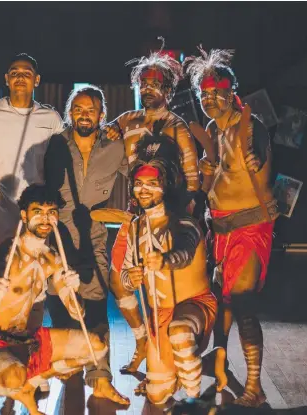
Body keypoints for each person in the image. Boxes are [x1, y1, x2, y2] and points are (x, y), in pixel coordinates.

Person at [103, 47, 212, 374]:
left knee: (162, 293)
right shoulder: (125, 121)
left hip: (169, 219)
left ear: (168, 90)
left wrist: (181, 226)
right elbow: (102, 144)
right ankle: (142, 341)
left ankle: (165, 356)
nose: (149, 90)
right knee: (119, 281)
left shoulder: (177, 127)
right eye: (144, 84)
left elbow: (193, 181)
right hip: (135, 217)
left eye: (156, 84)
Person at [0, 184, 107, 415]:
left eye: (52, 212)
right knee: (14, 374)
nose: (45, 219)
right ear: (24, 215)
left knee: (96, 347)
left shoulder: (52, 258)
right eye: (38, 211)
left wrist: (74, 290)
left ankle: (29, 384)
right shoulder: (8, 251)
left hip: (24, 340)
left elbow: (77, 313)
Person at [183, 47, 278, 407]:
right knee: (222, 299)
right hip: (218, 229)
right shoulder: (210, 129)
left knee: (242, 302)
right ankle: (219, 360)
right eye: (203, 94)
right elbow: (212, 184)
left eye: (215, 92)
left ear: (231, 91)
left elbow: (261, 165)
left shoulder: (250, 127)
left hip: (250, 227)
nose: (209, 99)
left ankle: (254, 386)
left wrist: (257, 158)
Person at [43, 85, 129, 405]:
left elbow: (140, 175)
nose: (83, 114)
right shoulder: (55, 145)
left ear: (101, 115)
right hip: (58, 235)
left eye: (89, 110)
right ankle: (68, 365)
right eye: (77, 109)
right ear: (70, 113)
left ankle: (100, 376)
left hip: (93, 234)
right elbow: (39, 183)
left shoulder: (115, 148)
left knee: (94, 303)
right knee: (60, 302)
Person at [119, 126, 216, 406]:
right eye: (139, 182)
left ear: (166, 184)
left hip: (193, 305)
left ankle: (196, 401)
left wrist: (164, 260)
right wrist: (131, 277)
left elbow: (185, 251)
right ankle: (208, 363)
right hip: (159, 315)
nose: (144, 189)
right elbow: (125, 276)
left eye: (152, 182)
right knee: (158, 395)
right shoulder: (135, 228)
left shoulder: (185, 221)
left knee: (180, 331)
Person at [0, 53, 65, 255]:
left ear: (37, 80)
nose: (20, 77)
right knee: (2, 272)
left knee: (35, 272)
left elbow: (61, 158)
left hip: (36, 211)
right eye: (14, 73)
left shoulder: (51, 119)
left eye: (27, 73)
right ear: (7, 79)